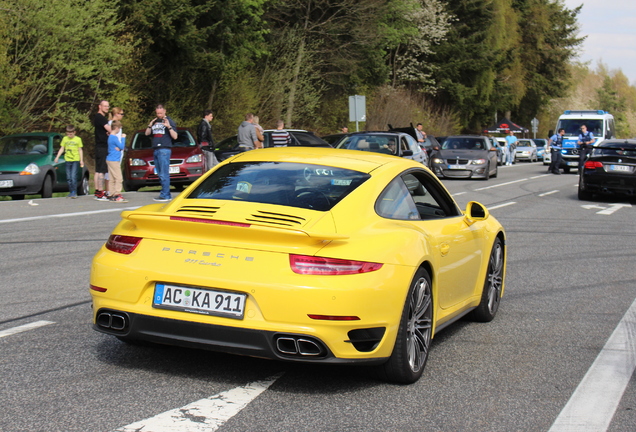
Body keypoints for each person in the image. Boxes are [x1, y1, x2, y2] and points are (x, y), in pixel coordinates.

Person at [145, 104, 177, 202]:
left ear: (165, 111)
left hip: (164, 149)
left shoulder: (170, 121)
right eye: (157, 113)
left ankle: (166, 194)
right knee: (159, 173)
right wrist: (150, 125)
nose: (159, 115)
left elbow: (175, 136)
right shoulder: (155, 122)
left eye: (161, 113)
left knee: (164, 173)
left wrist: (169, 127)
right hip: (156, 149)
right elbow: (147, 133)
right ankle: (164, 193)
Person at [54, 125, 84, 198]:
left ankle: (74, 192)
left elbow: (80, 150)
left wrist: (81, 160)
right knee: (68, 177)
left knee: (73, 176)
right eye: (68, 134)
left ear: (74, 132)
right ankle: (71, 191)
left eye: (71, 134)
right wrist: (57, 157)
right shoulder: (65, 139)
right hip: (67, 160)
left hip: (75, 160)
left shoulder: (78, 139)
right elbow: (62, 148)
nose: (69, 135)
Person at [93, 100, 111, 200]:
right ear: (100, 106)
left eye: (108, 106)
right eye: (105, 106)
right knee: (101, 170)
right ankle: (100, 192)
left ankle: (97, 191)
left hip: (99, 146)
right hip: (102, 146)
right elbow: (110, 129)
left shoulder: (98, 118)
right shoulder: (100, 118)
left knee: (98, 169)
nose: (107, 108)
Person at [106, 120, 127, 202]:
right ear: (117, 128)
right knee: (119, 178)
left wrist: (119, 148)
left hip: (110, 159)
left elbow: (119, 147)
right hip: (114, 160)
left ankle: (111, 193)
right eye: (120, 128)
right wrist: (123, 137)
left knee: (112, 178)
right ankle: (117, 194)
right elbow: (121, 146)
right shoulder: (114, 137)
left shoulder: (110, 137)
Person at [105, 107, 125, 193]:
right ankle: (114, 192)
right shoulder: (112, 124)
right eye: (121, 114)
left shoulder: (117, 124)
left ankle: (112, 192)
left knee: (113, 174)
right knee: (116, 175)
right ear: (116, 114)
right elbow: (113, 137)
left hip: (117, 151)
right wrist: (120, 143)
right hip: (114, 152)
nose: (122, 116)